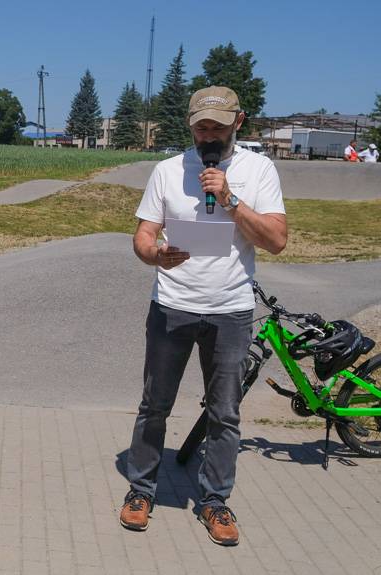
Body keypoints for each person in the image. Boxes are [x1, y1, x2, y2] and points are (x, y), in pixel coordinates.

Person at [119, 87, 287, 546]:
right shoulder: (168, 170)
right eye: (200, 127)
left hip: (231, 311)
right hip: (172, 306)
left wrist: (230, 199)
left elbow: (275, 240)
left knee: (224, 413)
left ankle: (214, 501)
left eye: (217, 126)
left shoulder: (259, 170)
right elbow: (143, 234)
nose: (208, 135)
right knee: (155, 405)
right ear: (190, 125)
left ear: (239, 122)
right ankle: (141, 490)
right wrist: (154, 254)